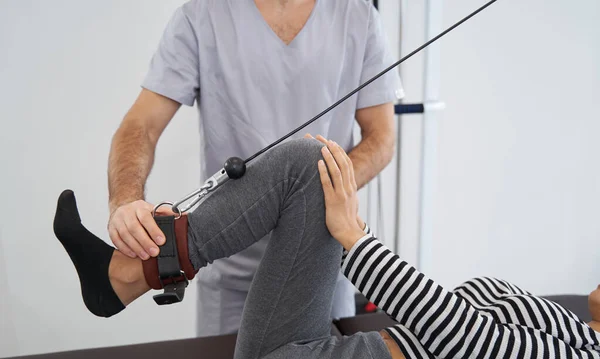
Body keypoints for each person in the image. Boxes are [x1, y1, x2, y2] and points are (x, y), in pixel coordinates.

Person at [54, 136, 600, 359]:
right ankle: (124, 278)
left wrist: (355, 240)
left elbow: (468, 338)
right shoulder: (570, 325)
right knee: (311, 166)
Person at [106, 0, 402, 336]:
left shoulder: (358, 16)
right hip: (229, 273)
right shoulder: (202, 16)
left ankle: (134, 272)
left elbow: (381, 139)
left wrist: (304, 194)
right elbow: (140, 126)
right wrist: (125, 202)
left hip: (322, 268)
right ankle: (135, 270)